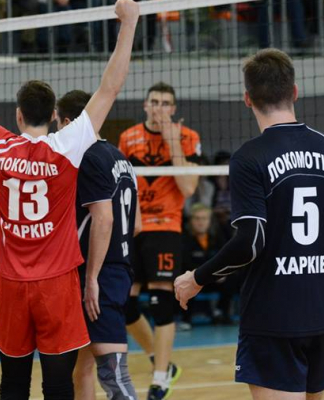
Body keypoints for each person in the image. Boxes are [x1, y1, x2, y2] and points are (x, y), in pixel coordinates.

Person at [0, 1, 140, 397]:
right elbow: (111, 86)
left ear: (18, 115)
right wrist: (129, 23)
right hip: (57, 284)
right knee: (58, 384)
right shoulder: (68, 146)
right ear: (54, 114)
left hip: (12, 284)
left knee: (13, 382)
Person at [175, 48, 324, 400]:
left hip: (272, 315)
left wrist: (196, 278)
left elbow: (250, 243)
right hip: (322, 312)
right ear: (294, 91)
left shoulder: (249, 157)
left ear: (247, 98)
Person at [117, 81, 202, 399]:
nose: (159, 108)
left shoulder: (188, 137)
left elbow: (188, 188)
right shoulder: (128, 137)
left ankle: (160, 378)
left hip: (166, 227)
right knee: (124, 304)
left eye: (166, 103)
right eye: (154, 102)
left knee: (161, 303)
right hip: (135, 227)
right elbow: (122, 184)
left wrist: (172, 141)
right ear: (145, 105)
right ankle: (161, 360)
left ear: (174, 108)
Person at [56, 90, 141, 400]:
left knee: (114, 376)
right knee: (82, 369)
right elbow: (137, 224)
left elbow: (104, 219)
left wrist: (92, 276)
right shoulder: (121, 158)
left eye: (58, 125)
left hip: (99, 275)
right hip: (118, 269)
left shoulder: (88, 158)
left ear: (69, 123)